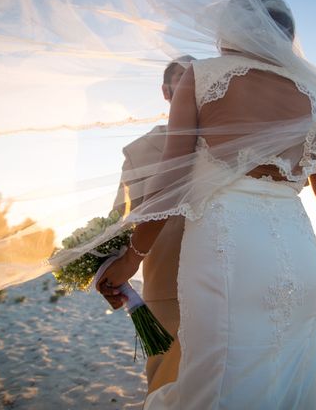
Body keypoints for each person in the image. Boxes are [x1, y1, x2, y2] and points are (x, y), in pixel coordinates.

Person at [98, 0, 316, 408]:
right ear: (286, 36)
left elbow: (171, 183)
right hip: (298, 258)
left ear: (229, 28)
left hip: (227, 252)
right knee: (284, 384)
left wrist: (130, 259)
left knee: (212, 386)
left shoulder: (202, 77)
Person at [105, 56, 195, 395]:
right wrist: (110, 279)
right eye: (181, 79)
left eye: (196, 80)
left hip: (230, 284)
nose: (190, 86)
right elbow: (117, 221)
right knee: (164, 388)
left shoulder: (228, 141)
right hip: (164, 288)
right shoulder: (139, 150)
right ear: (166, 90)